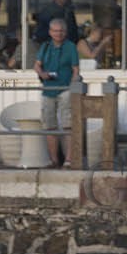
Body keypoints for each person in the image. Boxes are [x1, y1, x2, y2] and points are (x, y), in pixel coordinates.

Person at [35, 18, 77, 167]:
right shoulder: (45, 47)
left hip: (65, 89)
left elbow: (76, 70)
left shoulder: (71, 47)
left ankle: (69, 159)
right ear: (50, 32)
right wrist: (42, 74)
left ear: (65, 32)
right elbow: (37, 65)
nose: (58, 34)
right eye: (55, 31)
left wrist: (72, 87)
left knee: (68, 124)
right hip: (48, 90)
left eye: (61, 31)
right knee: (49, 125)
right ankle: (54, 160)